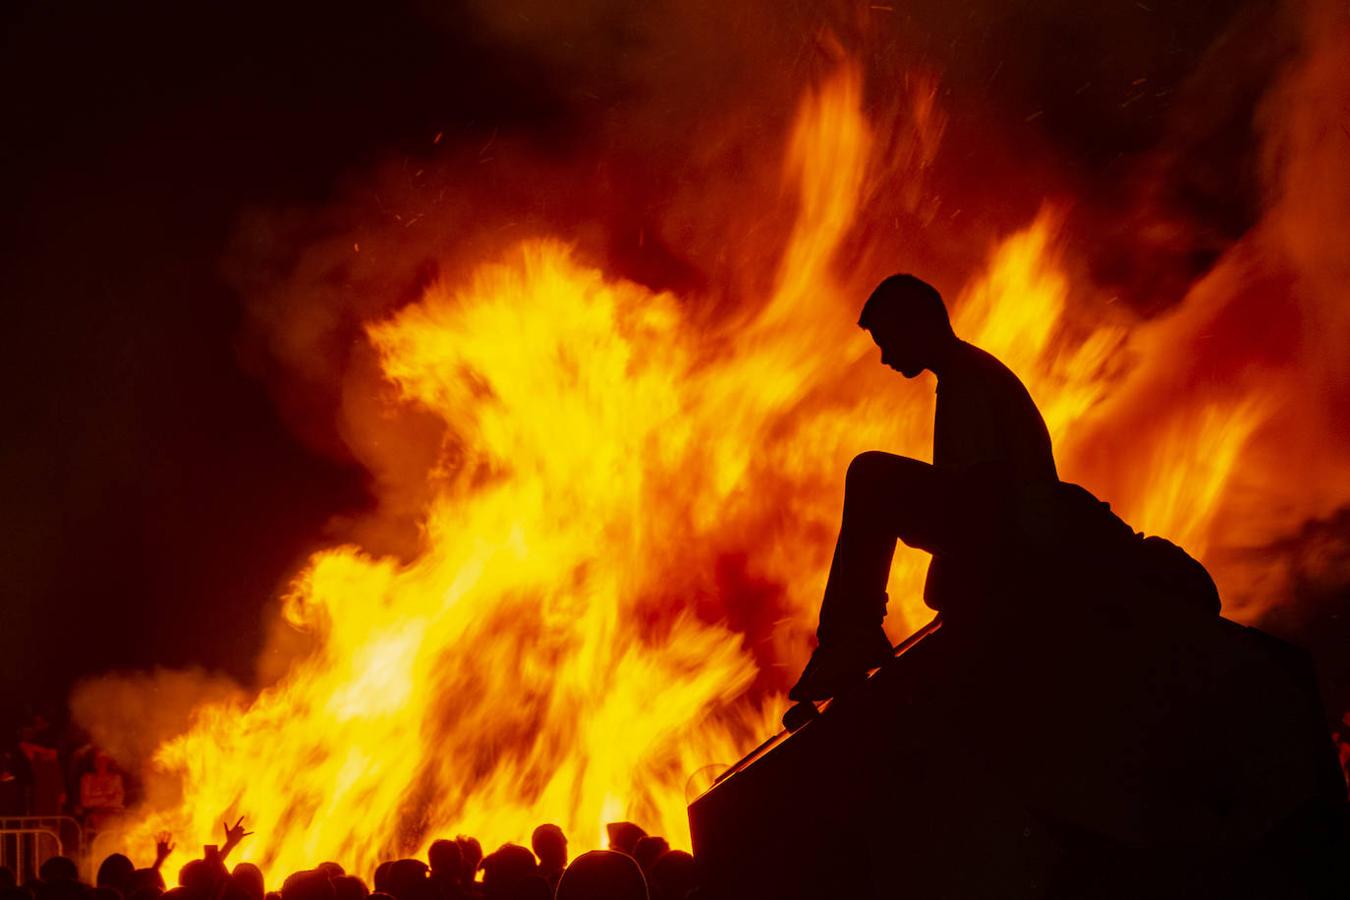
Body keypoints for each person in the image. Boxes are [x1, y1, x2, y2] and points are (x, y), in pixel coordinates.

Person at [789, 274, 1059, 701]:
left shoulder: (969, 381)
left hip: (1019, 545)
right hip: (1013, 538)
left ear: (914, 324)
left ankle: (850, 636)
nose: (883, 358)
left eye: (886, 340)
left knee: (870, 476)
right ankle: (852, 636)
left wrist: (972, 575)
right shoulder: (962, 378)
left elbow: (986, 494)